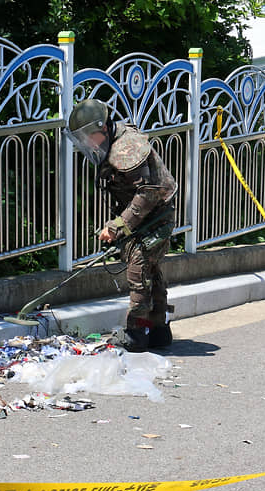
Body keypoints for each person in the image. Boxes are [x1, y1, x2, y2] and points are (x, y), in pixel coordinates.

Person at [66, 98, 177, 352]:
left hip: (155, 216)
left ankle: (136, 334)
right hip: (149, 215)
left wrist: (117, 226)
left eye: (89, 136)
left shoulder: (126, 148)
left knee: (139, 274)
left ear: (103, 128)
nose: (87, 143)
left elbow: (148, 193)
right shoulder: (113, 141)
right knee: (151, 272)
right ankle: (160, 330)